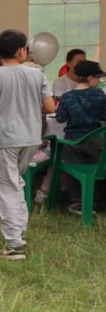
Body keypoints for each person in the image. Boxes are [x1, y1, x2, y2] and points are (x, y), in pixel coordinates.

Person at [0, 29, 55, 261]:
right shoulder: (36, 75)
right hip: (31, 138)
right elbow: (50, 107)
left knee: (6, 188)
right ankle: (19, 230)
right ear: (21, 51)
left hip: (6, 139)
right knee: (16, 183)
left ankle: (14, 243)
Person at [53, 60, 106, 214]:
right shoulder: (99, 95)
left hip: (73, 141)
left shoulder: (67, 97)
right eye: (98, 78)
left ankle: (77, 201)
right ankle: (96, 200)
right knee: (95, 169)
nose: (99, 81)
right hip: (95, 141)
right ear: (90, 78)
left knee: (73, 171)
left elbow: (60, 118)